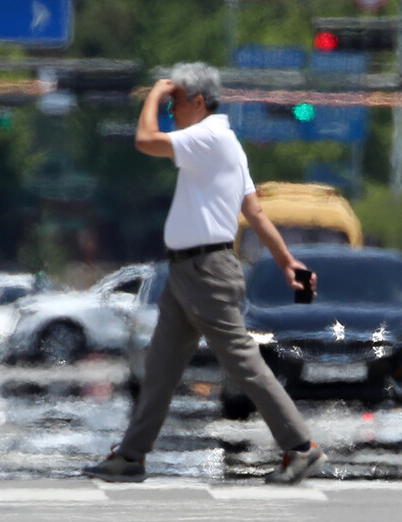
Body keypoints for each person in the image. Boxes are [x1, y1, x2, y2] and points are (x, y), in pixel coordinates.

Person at [83, 62, 326, 485]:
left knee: (243, 362)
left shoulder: (209, 136)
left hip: (205, 271)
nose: (171, 112)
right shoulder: (225, 142)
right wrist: (288, 262)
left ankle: (301, 447)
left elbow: (144, 140)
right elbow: (255, 213)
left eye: (176, 104)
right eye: (169, 104)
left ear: (198, 103)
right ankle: (131, 457)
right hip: (187, 272)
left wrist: (153, 96)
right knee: (159, 368)